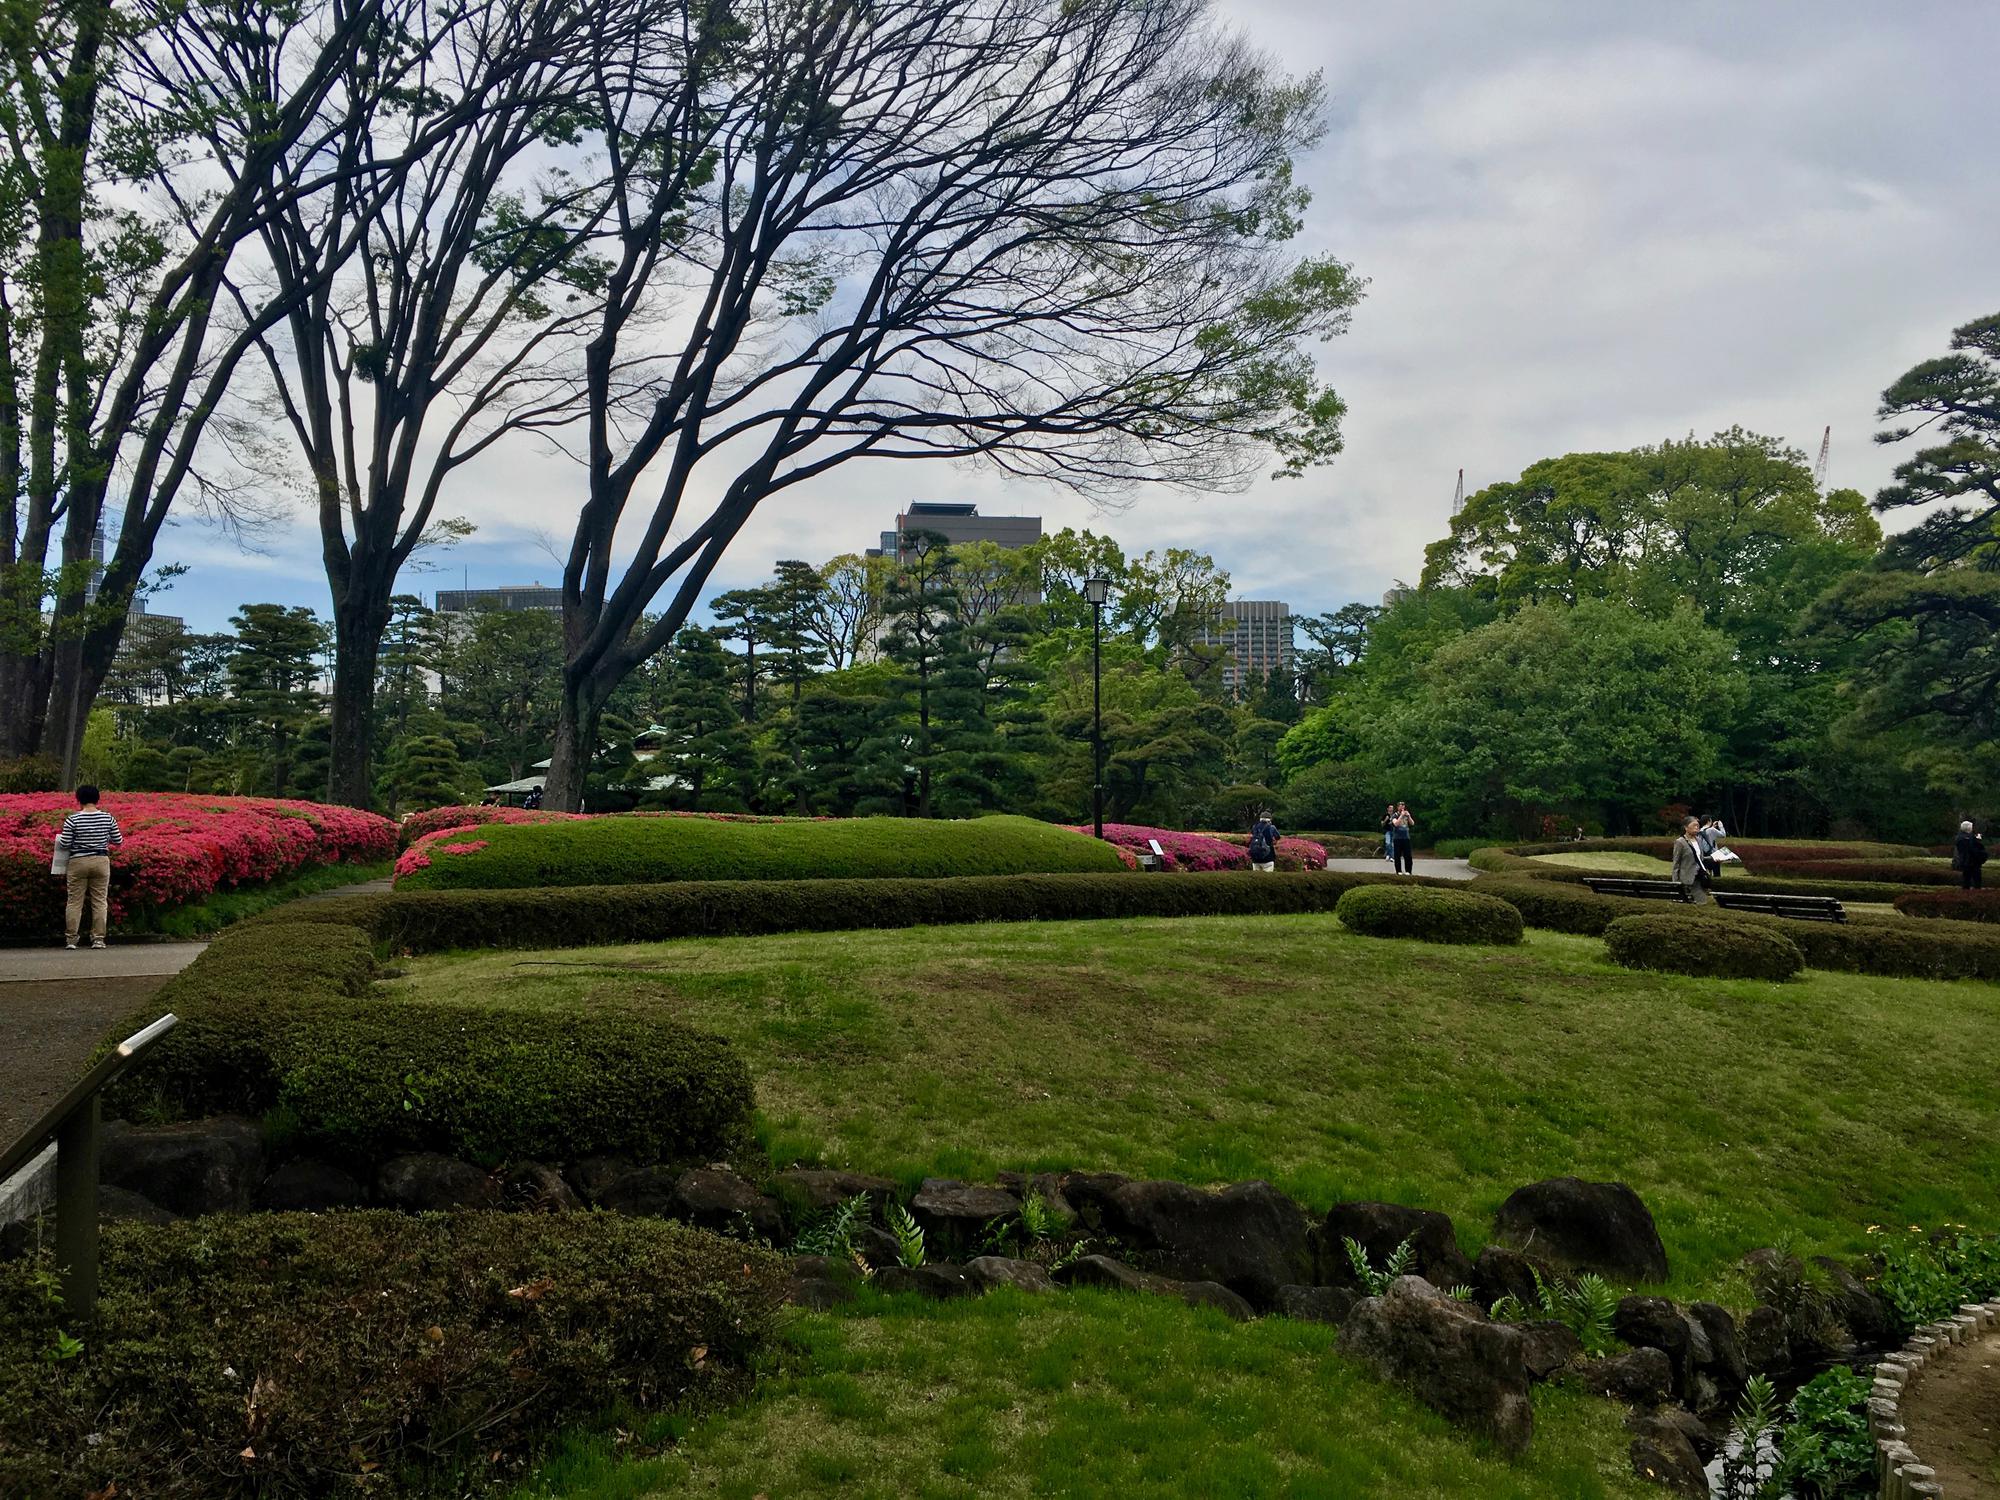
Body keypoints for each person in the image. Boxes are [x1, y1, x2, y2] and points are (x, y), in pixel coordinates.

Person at [56, 784, 123, 949]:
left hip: (78, 862)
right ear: (97, 798)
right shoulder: (108, 818)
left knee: (74, 902)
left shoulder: (73, 819)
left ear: (79, 799)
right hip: (100, 861)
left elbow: (64, 843)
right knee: (100, 901)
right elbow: (118, 841)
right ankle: (98, 939)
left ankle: (71, 940)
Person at [1671, 816, 1712, 905]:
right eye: (1694, 825)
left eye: (1698, 825)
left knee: (1702, 903)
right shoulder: (1680, 842)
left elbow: (1699, 858)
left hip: (1700, 876)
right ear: (1686, 827)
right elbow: (1676, 863)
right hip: (1687, 878)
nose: (1697, 827)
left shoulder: (1699, 840)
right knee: (1697, 903)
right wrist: (1675, 882)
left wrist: (1713, 859)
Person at [1954, 820, 1987, 891]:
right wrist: (1978, 841)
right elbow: (1974, 848)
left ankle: (1966, 893)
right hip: (1973, 861)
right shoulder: (1969, 838)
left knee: (1966, 879)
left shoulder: (1959, 837)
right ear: (1969, 828)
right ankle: (1976, 893)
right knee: (1976, 879)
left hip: (1964, 860)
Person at [1390, 802, 1416, 875]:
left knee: (1408, 855)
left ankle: (1408, 870)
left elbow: (1412, 823)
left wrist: (1409, 816)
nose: (1402, 807)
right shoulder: (1395, 815)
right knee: (1397, 855)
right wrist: (1401, 816)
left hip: (1406, 837)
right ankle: (1398, 871)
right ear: (1398, 807)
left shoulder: (1406, 814)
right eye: (1400, 806)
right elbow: (1396, 824)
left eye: (1403, 806)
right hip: (1397, 838)